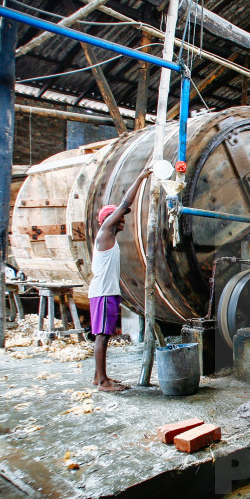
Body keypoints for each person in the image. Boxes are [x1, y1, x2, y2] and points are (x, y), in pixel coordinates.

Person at [89, 162, 155, 391]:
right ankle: (103, 382)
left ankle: (99, 377)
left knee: (103, 334)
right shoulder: (105, 232)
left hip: (106, 292)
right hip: (104, 293)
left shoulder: (109, 238)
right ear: (111, 219)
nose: (125, 219)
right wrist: (141, 177)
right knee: (103, 335)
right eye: (121, 217)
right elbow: (127, 203)